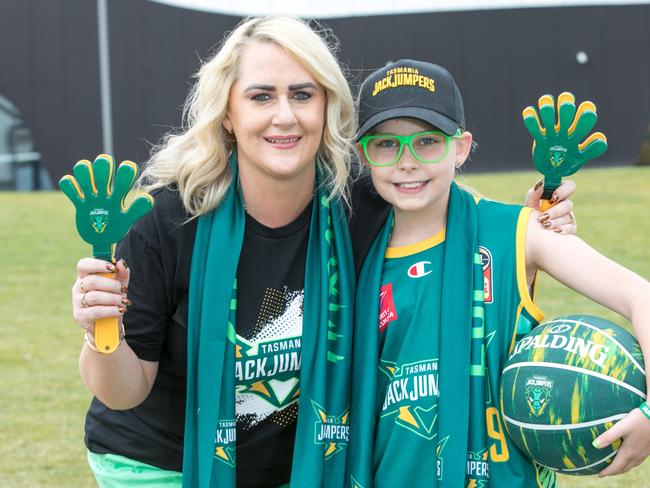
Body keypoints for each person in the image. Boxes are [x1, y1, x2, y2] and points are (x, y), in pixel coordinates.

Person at [69, 18, 576, 488]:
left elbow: (462, 221)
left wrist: (538, 219)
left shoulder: (361, 204)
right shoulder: (169, 220)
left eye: (303, 95)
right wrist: (100, 332)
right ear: (228, 113)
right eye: (261, 96)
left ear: (327, 107)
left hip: (306, 464)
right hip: (165, 463)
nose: (284, 116)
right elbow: (123, 392)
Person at [346, 59, 650, 488]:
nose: (407, 162)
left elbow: (641, 296)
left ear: (462, 146)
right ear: (365, 154)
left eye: (428, 142)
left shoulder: (517, 234)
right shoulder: (351, 250)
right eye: (387, 145)